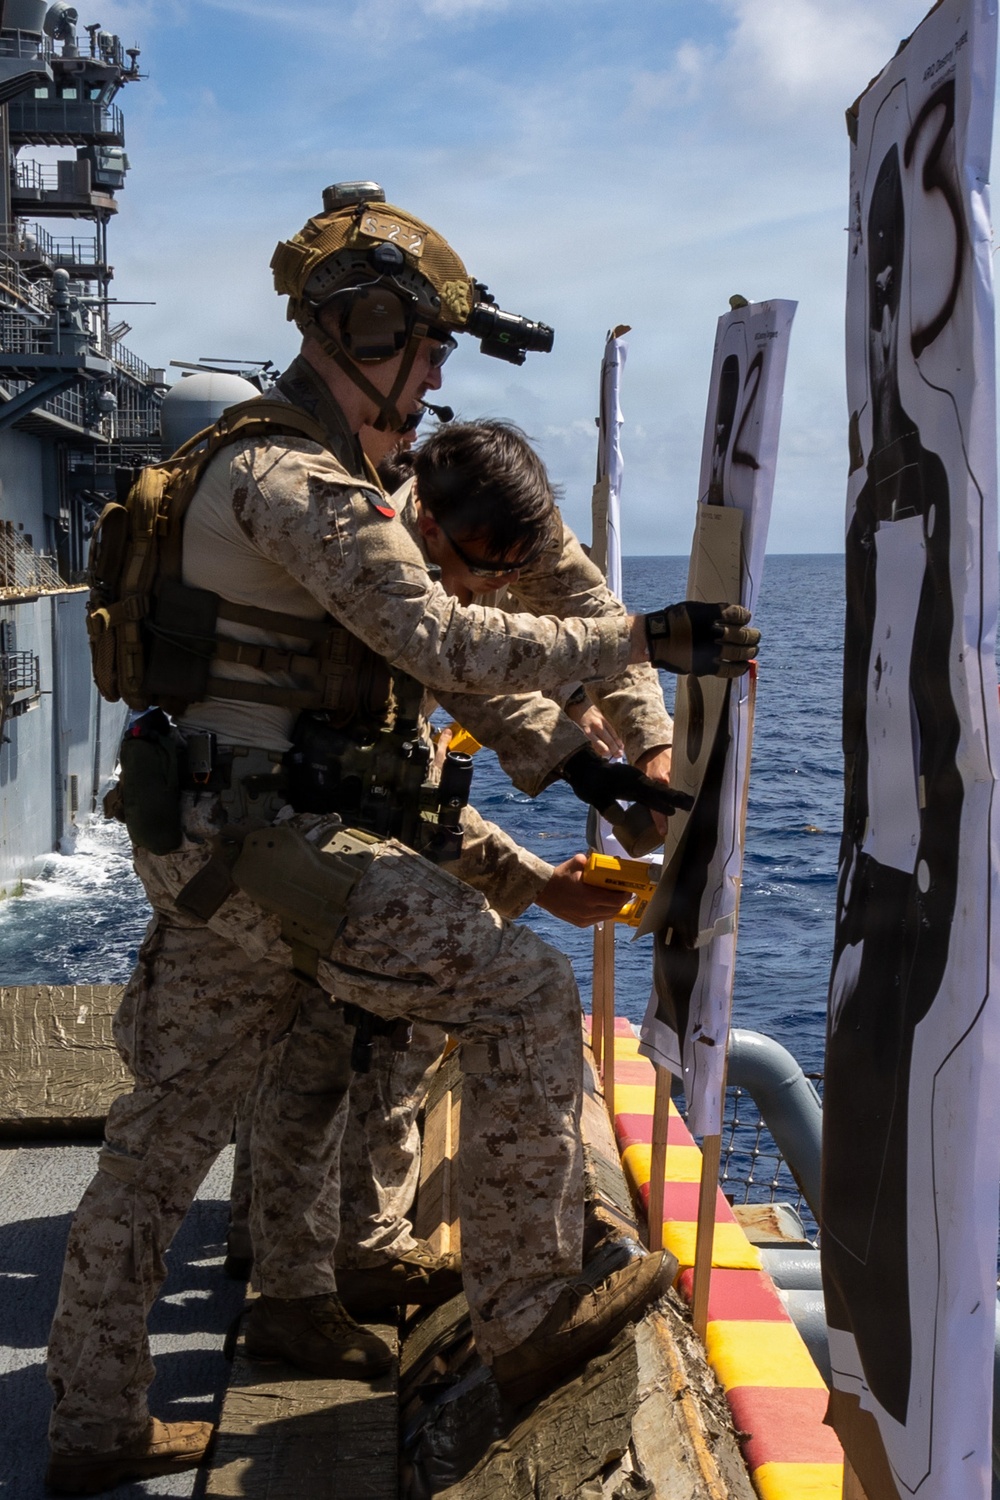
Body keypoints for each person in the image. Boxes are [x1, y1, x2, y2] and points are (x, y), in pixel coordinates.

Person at [45, 183, 758, 1495]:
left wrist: (620, 738)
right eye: (422, 344)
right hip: (262, 839)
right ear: (355, 328)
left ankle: (96, 1417)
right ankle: (533, 1311)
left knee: (166, 1130)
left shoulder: (330, 474)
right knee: (524, 996)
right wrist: (641, 643)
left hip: (220, 839)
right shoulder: (290, 481)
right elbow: (445, 642)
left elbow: (531, 597)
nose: (435, 374)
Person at [227, 419, 674, 1308]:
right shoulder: (370, 553)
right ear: (427, 527)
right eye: (490, 573)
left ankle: (310, 1253)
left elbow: (585, 615)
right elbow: (458, 680)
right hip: (294, 813)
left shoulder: (490, 516)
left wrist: (648, 745)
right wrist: (567, 789)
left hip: (335, 806)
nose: (505, 591)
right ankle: (501, 1302)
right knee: (395, 1015)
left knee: (334, 1030)